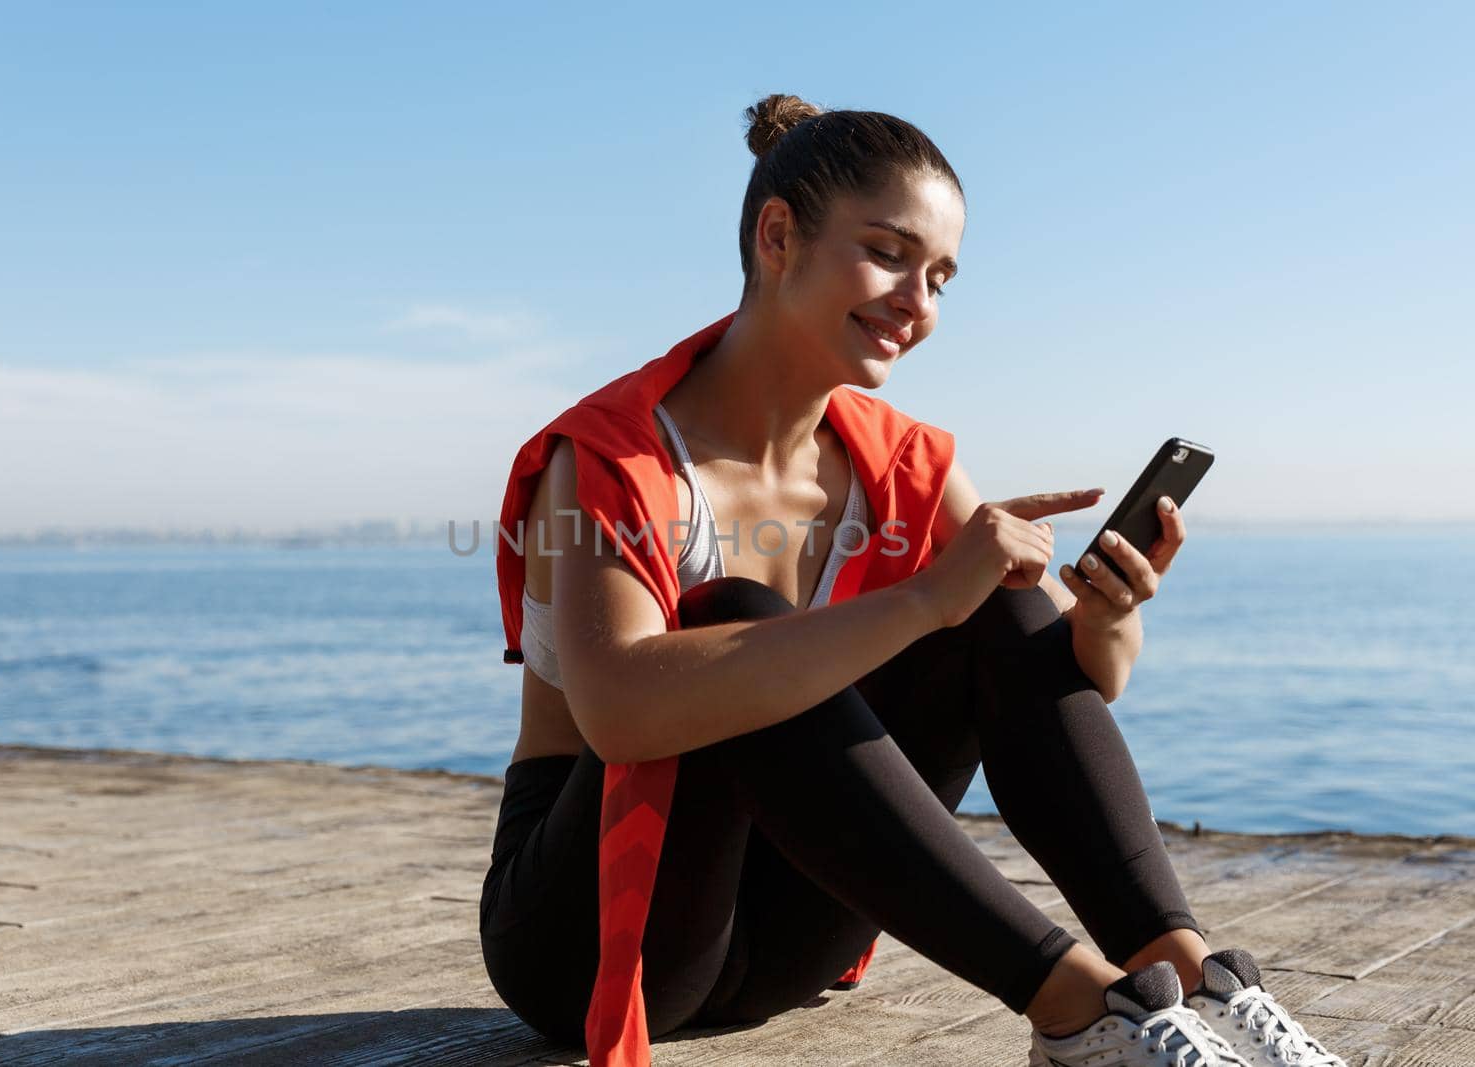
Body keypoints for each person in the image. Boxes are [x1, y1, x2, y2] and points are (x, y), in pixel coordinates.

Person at [481, 94, 1348, 1067]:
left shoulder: (905, 463)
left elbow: (1070, 678)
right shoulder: (612, 455)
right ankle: (1081, 1008)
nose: (918, 301)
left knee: (1004, 587)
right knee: (738, 619)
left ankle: (1185, 977)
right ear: (777, 236)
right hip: (597, 938)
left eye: (939, 276)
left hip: (794, 934)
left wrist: (1107, 615)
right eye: (890, 254)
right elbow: (620, 712)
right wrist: (924, 597)